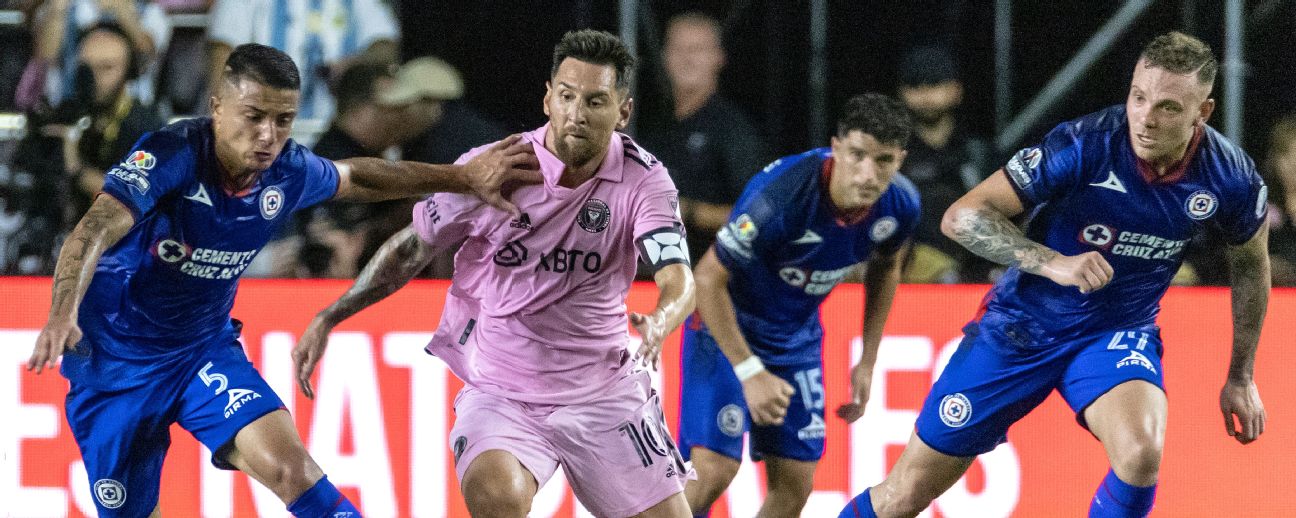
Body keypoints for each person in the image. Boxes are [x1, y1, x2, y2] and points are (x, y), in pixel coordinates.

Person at [25, 43, 540, 517]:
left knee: (294, 472)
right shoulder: (172, 154)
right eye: (253, 117)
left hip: (201, 354)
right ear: (218, 106)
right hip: (115, 363)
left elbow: (357, 177)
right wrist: (61, 312)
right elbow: (92, 227)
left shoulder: (286, 170)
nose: (269, 136)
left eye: (283, 120)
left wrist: (462, 176)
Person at [839, 31, 1270, 518]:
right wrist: (1054, 263)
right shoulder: (1085, 143)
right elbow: (961, 216)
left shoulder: (1229, 176)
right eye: (1138, 97)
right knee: (905, 494)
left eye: (1168, 107)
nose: (1146, 118)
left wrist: (1241, 375)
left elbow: (1252, 264)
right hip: (1022, 327)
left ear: (1203, 112)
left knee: (1142, 452)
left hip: (1115, 332)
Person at [294, 29, 697, 517]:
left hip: (604, 393)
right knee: (497, 496)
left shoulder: (643, 178)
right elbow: (410, 250)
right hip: (503, 393)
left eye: (595, 101)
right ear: (548, 98)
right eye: (566, 97)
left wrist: (663, 318)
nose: (577, 113)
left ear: (623, 111)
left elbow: (678, 276)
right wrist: (331, 314)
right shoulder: (495, 169)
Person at [680, 93, 918, 517]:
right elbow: (706, 279)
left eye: (883, 160)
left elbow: (887, 266)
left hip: (794, 340)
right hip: (726, 327)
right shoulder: (782, 196)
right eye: (858, 155)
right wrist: (750, 372)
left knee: (795, 486)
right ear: (837, 146)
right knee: (713, 472)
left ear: (900, 159)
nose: (868, 174)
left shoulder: (900, 205)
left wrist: (868, 359)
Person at [639, 11, 771, 266]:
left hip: (710, 278)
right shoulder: (654, 129)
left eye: (697, 49)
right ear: (665, 58)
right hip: (649, 279)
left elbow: (758, 218)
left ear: (718, 58)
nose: (687, 58)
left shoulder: (734, 130)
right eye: (678, 49)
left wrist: (689, 211)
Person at [893, 44, 994, 284]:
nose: (926, 94)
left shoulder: (978, 155)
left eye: (935, 84)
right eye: (915, 86)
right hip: (911, 273)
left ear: (955, 90)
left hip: (979, 272)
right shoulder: (893, 156)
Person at [206, 0, 400, 121]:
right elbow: (222, 62)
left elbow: (385, 45)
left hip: (337, 135)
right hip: (264, 135)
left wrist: (354, 66)